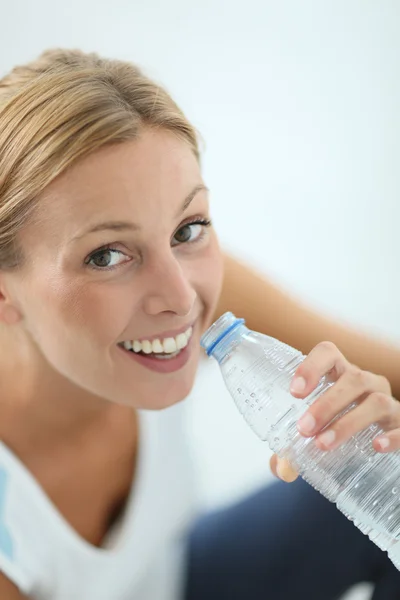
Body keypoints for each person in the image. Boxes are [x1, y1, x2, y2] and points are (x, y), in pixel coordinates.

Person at [0, 48, 399, 600]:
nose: (181, 296)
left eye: (188, 228)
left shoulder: (183, 288)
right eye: (107, 256)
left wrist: (380, 435)